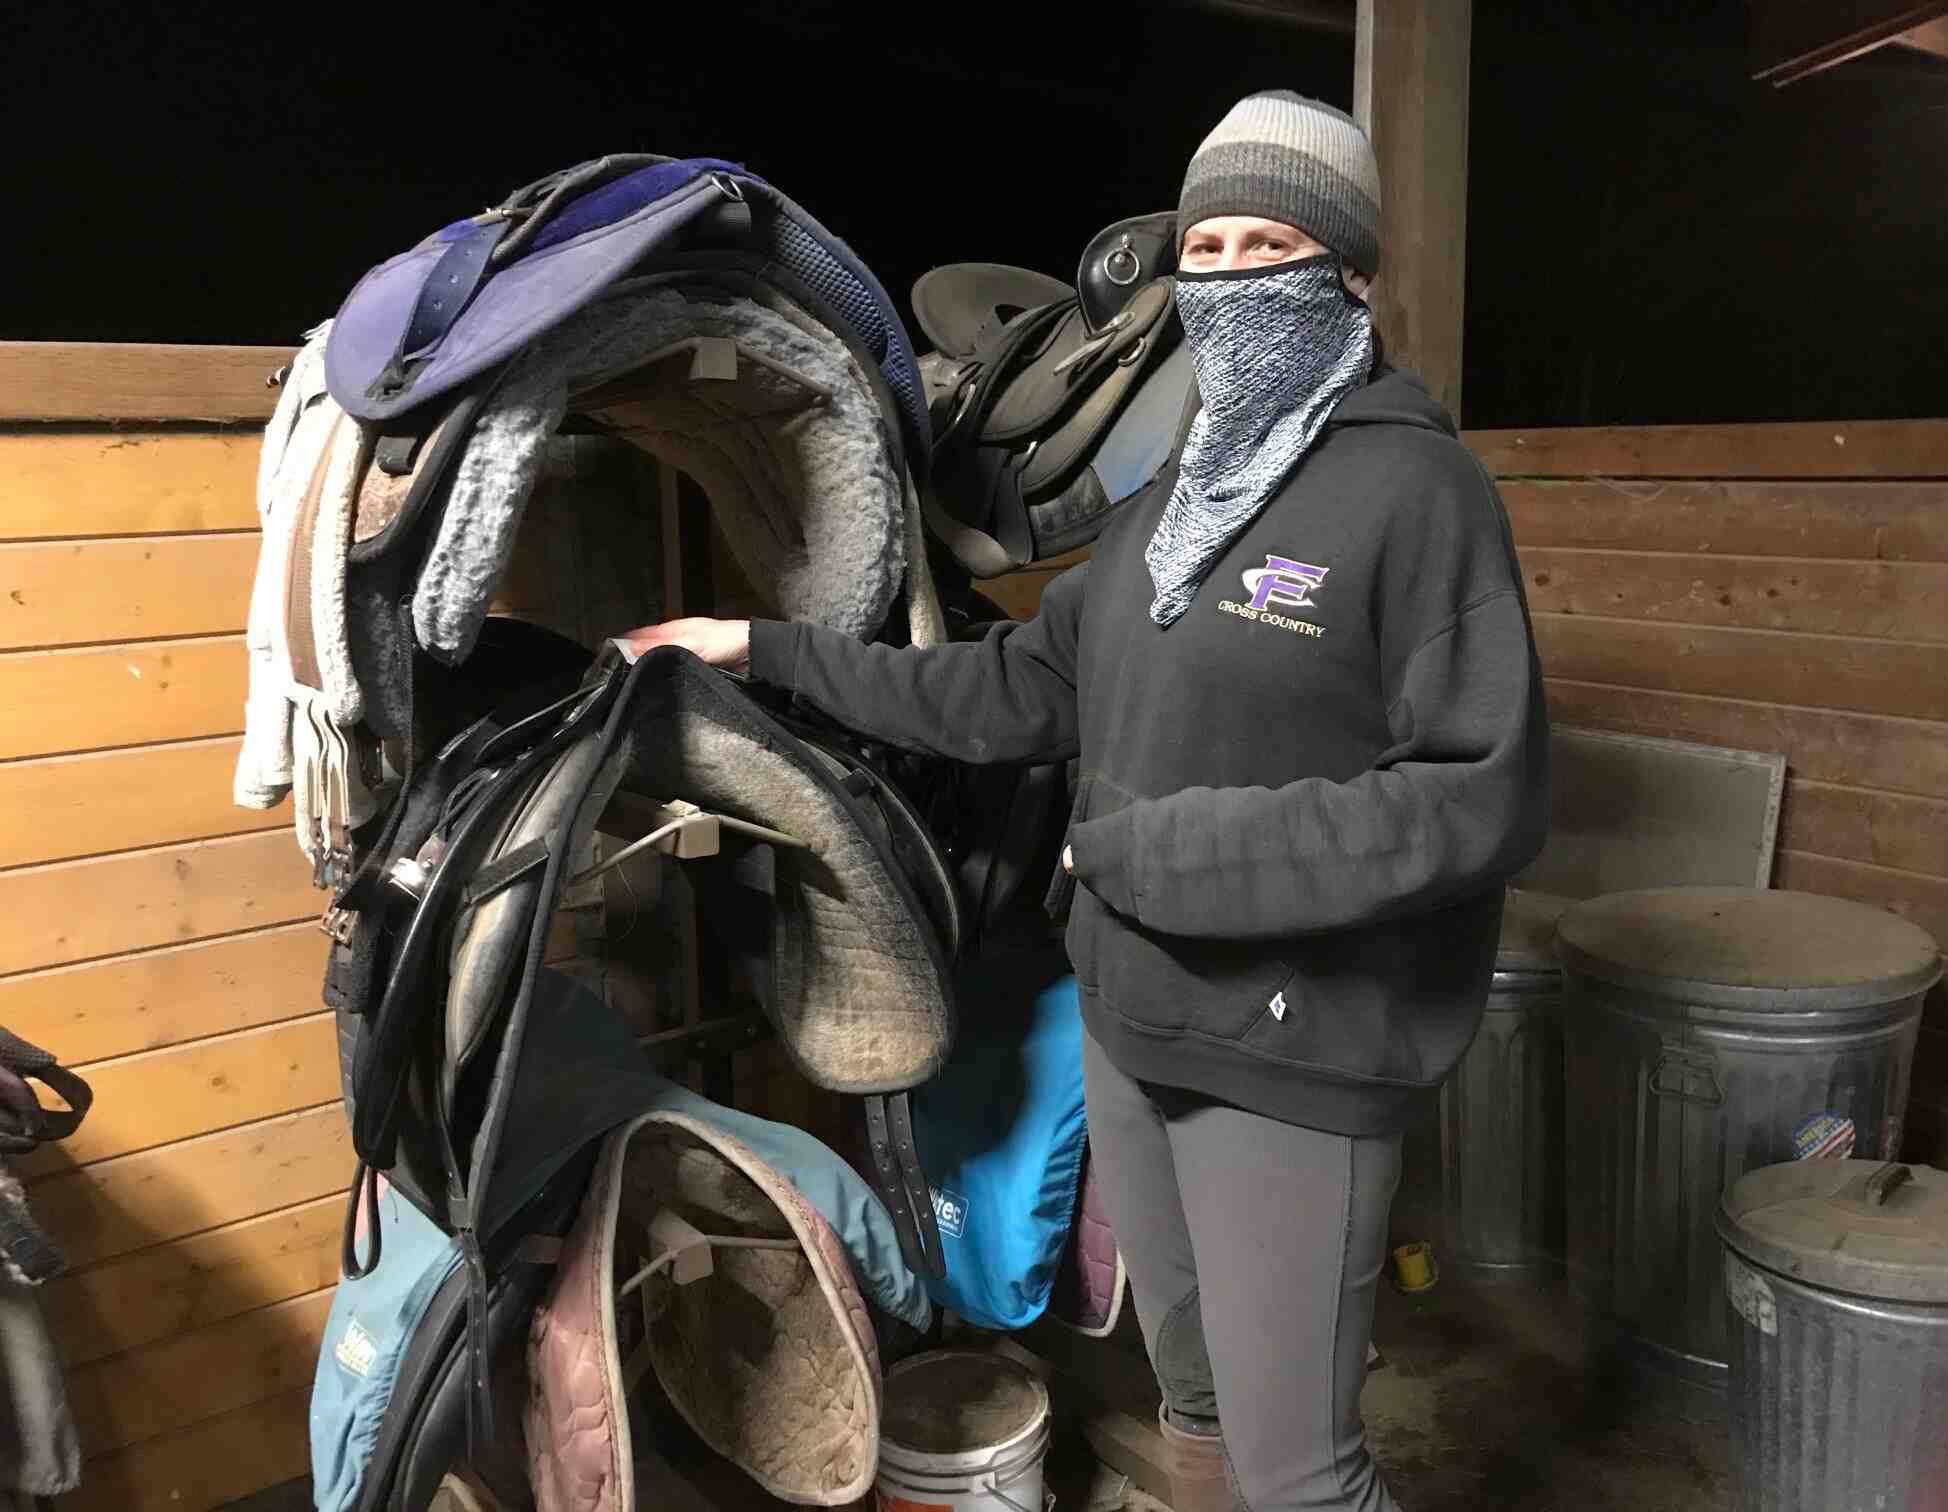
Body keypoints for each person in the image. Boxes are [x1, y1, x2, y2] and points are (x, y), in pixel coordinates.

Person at [621, 88, 1548, 1512]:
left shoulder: (1417, 497)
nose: (1233, 275)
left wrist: (1168, 853)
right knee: (1190, 1395)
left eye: (1272, 243)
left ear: (1352, 275)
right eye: (1211, 244)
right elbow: (1009, 691)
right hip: (1133, 1023)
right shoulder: (1173, 504)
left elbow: (1473, 798)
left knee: (1305, 1468)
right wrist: (759, 650)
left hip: (1293, 1052)